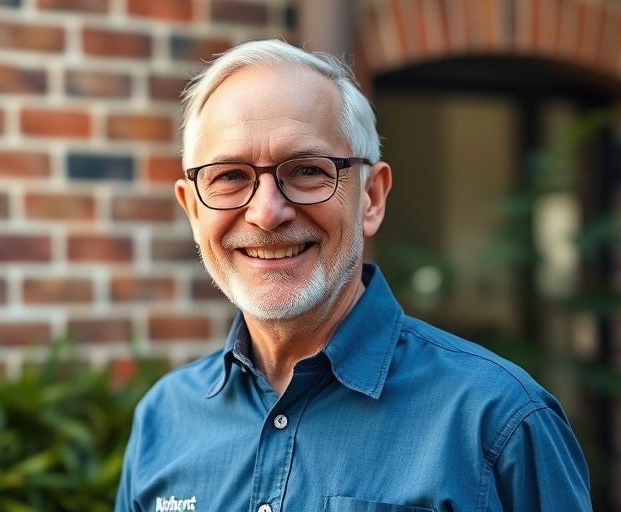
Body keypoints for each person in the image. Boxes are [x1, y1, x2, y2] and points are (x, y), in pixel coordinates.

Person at [115, 39, 591, 512]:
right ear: (193, 210)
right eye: (230, 176)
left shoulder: (497, 423)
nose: (265, 213)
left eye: (306, 170)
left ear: (371, 197)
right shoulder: (163, 418)